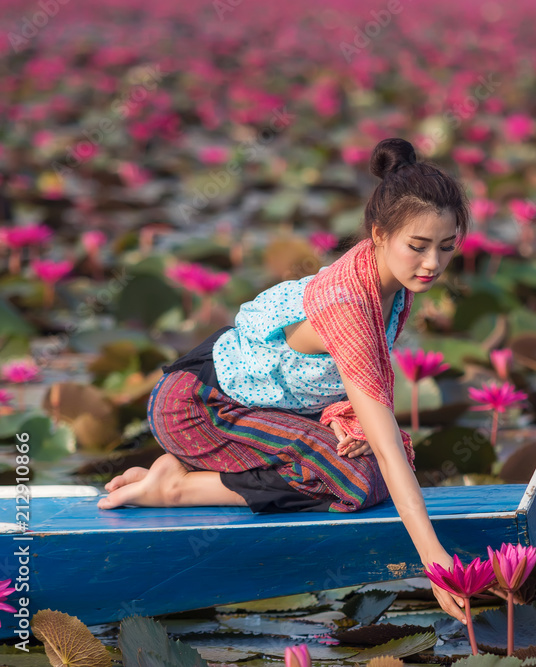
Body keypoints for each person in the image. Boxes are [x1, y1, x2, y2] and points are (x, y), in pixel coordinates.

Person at [97, 137, 476, 622]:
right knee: (360, 479)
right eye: (418, 247)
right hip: (201, 408)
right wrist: (433, 556)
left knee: (372, 467)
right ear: (379, 234)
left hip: (255, 407)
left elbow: (344, 387)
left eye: (447, 247)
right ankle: (174, 488)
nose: (433, 264)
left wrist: (340, 420)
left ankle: (181, 475)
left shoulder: (387, 280)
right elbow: (383, 445)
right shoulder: (349, 304)